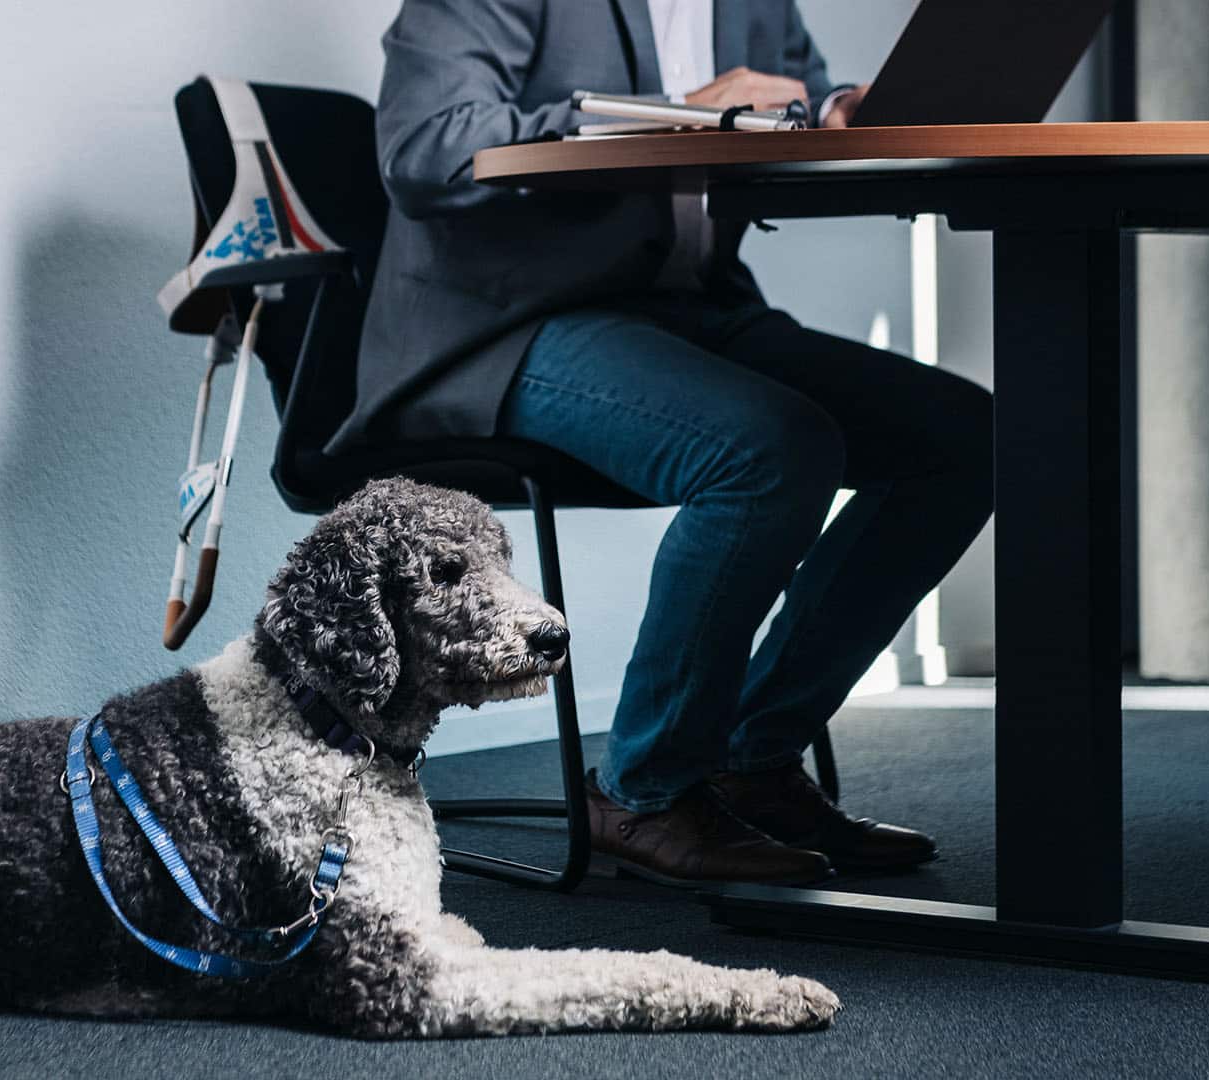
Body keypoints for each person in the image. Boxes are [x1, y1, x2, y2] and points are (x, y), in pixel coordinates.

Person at [331, 0, 994, 886]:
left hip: (692, 306)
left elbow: (787, 98)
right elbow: (430, 145)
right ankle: (642, 790)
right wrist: (682, 111)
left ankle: (749, 759)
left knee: (966, 436)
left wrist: (831, 112)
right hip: (510, 325)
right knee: (770, 449)